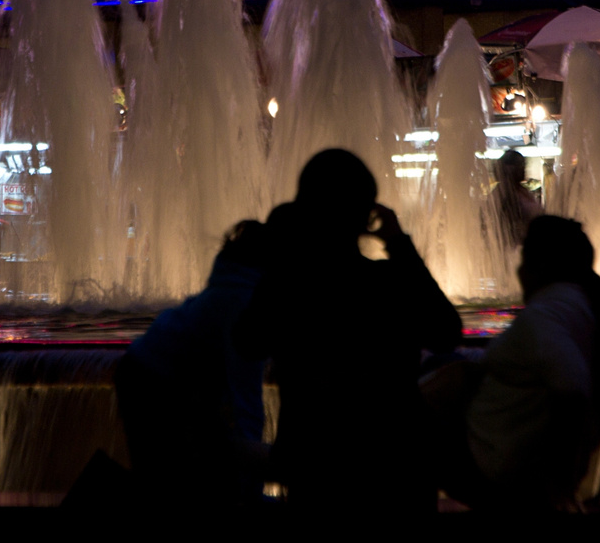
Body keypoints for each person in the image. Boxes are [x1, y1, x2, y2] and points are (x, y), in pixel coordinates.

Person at [234, 148, 463, 514]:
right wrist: (398, 243)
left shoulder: (290, 291)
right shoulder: (390, 285)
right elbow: (447, 332)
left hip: (318, 468)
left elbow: (247, 341)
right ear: (367, 216)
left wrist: (283, 257)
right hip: (397, 467)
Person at [463, 216, 600, 512]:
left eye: (524, 259)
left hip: (501, 471)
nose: (519, 271)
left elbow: (572, 388)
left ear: (540, 266)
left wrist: (556, 482)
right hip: (522, 472)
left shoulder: (546, 316)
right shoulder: (594, 313)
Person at [116, 220, 270, 507]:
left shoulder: (234, 287)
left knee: (183, 470)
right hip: (152, 381)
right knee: (170, 477)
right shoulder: (244, 303)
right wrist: (251, 490)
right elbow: (246, 399)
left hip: (152, 372)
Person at [492, 149, 542, 247]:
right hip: (518, 249)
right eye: (519, 166)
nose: (523, 169)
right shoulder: (503, 195)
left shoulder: (522, 192)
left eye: (523, 165)